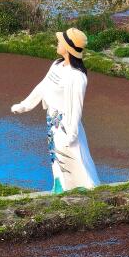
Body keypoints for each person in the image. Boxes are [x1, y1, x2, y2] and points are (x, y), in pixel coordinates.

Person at [11, 27, 100, 194]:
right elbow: (42, 87)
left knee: (73, 158)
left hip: (66, 125)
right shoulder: (57, 65)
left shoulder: (77, 76)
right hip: (52, 122)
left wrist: (72, 134)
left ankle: (82, 190)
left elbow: (76, 108)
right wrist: (25, 105)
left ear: (68, 47)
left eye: (60, 42)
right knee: (56, 158)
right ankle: (59, 188)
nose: (57, 43)